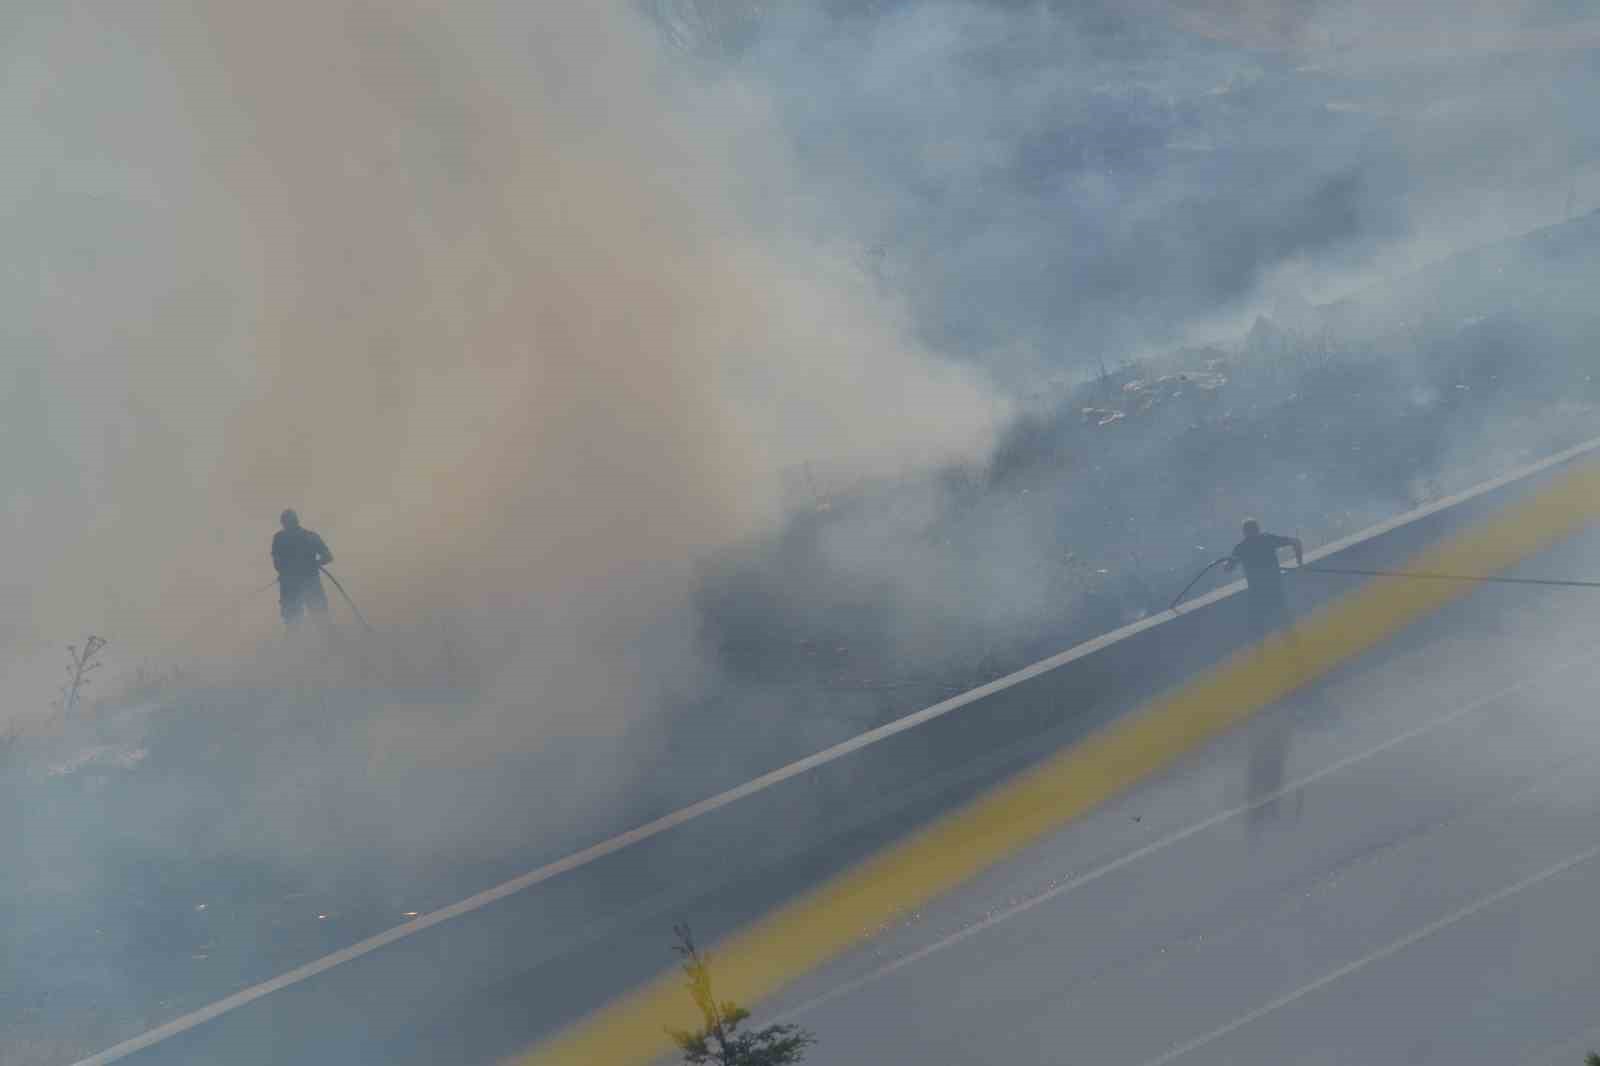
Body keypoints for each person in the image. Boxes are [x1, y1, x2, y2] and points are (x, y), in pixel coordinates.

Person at [1224, 518, 1303, 639]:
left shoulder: (1241, 548)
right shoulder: (1268, 539)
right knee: (1285, 623)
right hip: (1275, 589)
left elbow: (1228, 569)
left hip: (1257, 593)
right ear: (1258, 529)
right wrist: (1300, 563)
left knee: (1260, 630)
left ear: (1244, 533)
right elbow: (1296, 542)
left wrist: (1227, 563)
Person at [271, 509, 333, 626]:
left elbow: (328, 556)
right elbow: (328, 556)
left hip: (297, 587)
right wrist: (314, 564)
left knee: (317, 622)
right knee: (297, 624)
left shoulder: (280, 538)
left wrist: (314, 564)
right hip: (297, 587)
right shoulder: (308, 537)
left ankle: (329, 643)